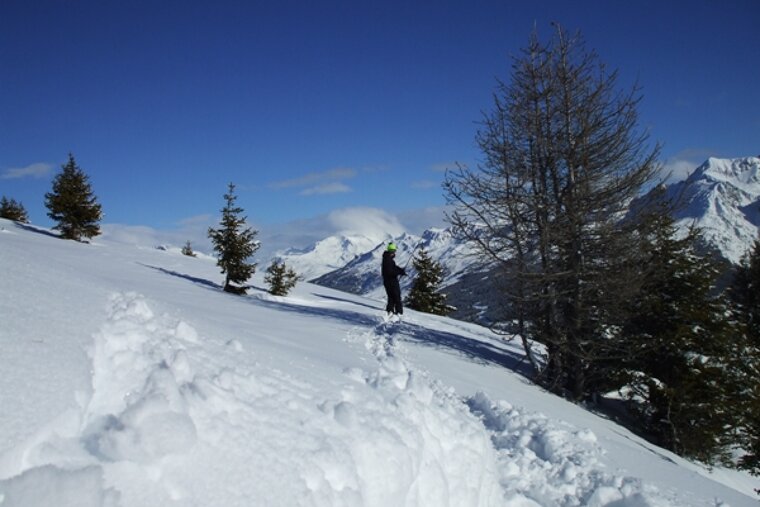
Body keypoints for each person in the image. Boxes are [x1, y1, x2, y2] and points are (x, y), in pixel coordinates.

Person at [382, 242, 406, 315]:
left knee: (391, 297)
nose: (395, 253)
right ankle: (399, 312)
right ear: (392, 251)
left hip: (388, 281)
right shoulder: (388, 260)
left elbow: (393, 268)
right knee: (396, 296)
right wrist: (399, 272)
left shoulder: (387, 259)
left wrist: (400, 270)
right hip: (391, 281)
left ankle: (390, 310)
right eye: (394, 251)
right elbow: (390, 272)